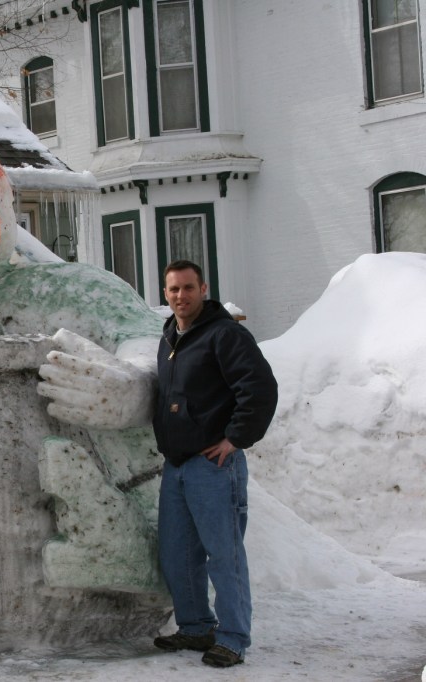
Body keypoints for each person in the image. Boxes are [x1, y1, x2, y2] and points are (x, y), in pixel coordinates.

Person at [151, 260, 278, 668]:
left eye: (188, 288)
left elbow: (259, 388)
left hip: (213, 466)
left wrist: (236, 438)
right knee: (178, 554)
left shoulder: (225, 334)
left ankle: (233, 637)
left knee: (224, 555)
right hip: (177, 464)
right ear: (165, 293)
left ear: (203, 288)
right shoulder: (171, 334)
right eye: (173, 290)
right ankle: (195, 627)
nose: (180, 296)